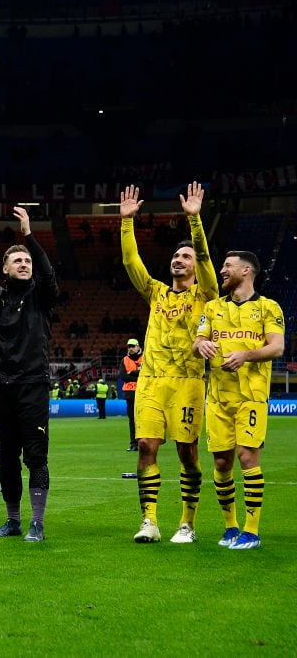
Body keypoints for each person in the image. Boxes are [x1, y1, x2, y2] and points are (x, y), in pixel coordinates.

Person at [121, 182, 217, 544]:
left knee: (187, 452)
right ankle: (150, 521)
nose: (179, 260)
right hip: (151, 380)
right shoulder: (156, 292)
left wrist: (194, 222)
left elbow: (207, 262)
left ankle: (187, 522)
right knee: (146, 446)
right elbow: (132, 262)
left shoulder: (205, 294)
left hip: (188, 381)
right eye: (176, 256)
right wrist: (126, 223)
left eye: (186, 257)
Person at [0, 205, 58, 542]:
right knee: (5, 457)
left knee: (36, 456)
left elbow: (48, 275)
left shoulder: (43, 297)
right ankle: (13, 520)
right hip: (0, 386)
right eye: (17, 261)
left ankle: (37, 521)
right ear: (4, 268)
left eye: (27, 261)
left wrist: (29, 236)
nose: (24, 264)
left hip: (32, 385)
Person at [194, 251, 284, 550]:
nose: (222, 270)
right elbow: (197, 342)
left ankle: (252, 530)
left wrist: (246, 355)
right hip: (218, 397)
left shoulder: (268, 308)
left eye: (227, 266)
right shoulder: (212, 307)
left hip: (251, 396)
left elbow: (277, 347)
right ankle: (230, 526)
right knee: (221, 462)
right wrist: (202, 344)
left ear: (247, 271)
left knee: (247, 457)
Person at [119, 338, 143, 451]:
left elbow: (147, 374)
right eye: (129, 346)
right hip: (130, 394)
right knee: (132, 420)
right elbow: (123, 376)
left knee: (143, 419)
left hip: (143, 393)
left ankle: (144, 443)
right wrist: (138, 376)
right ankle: (134, 444)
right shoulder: (124, 360)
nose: (131, 349)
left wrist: (132, 372)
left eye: (133, 346)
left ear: (138, 347)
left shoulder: (145, 357)